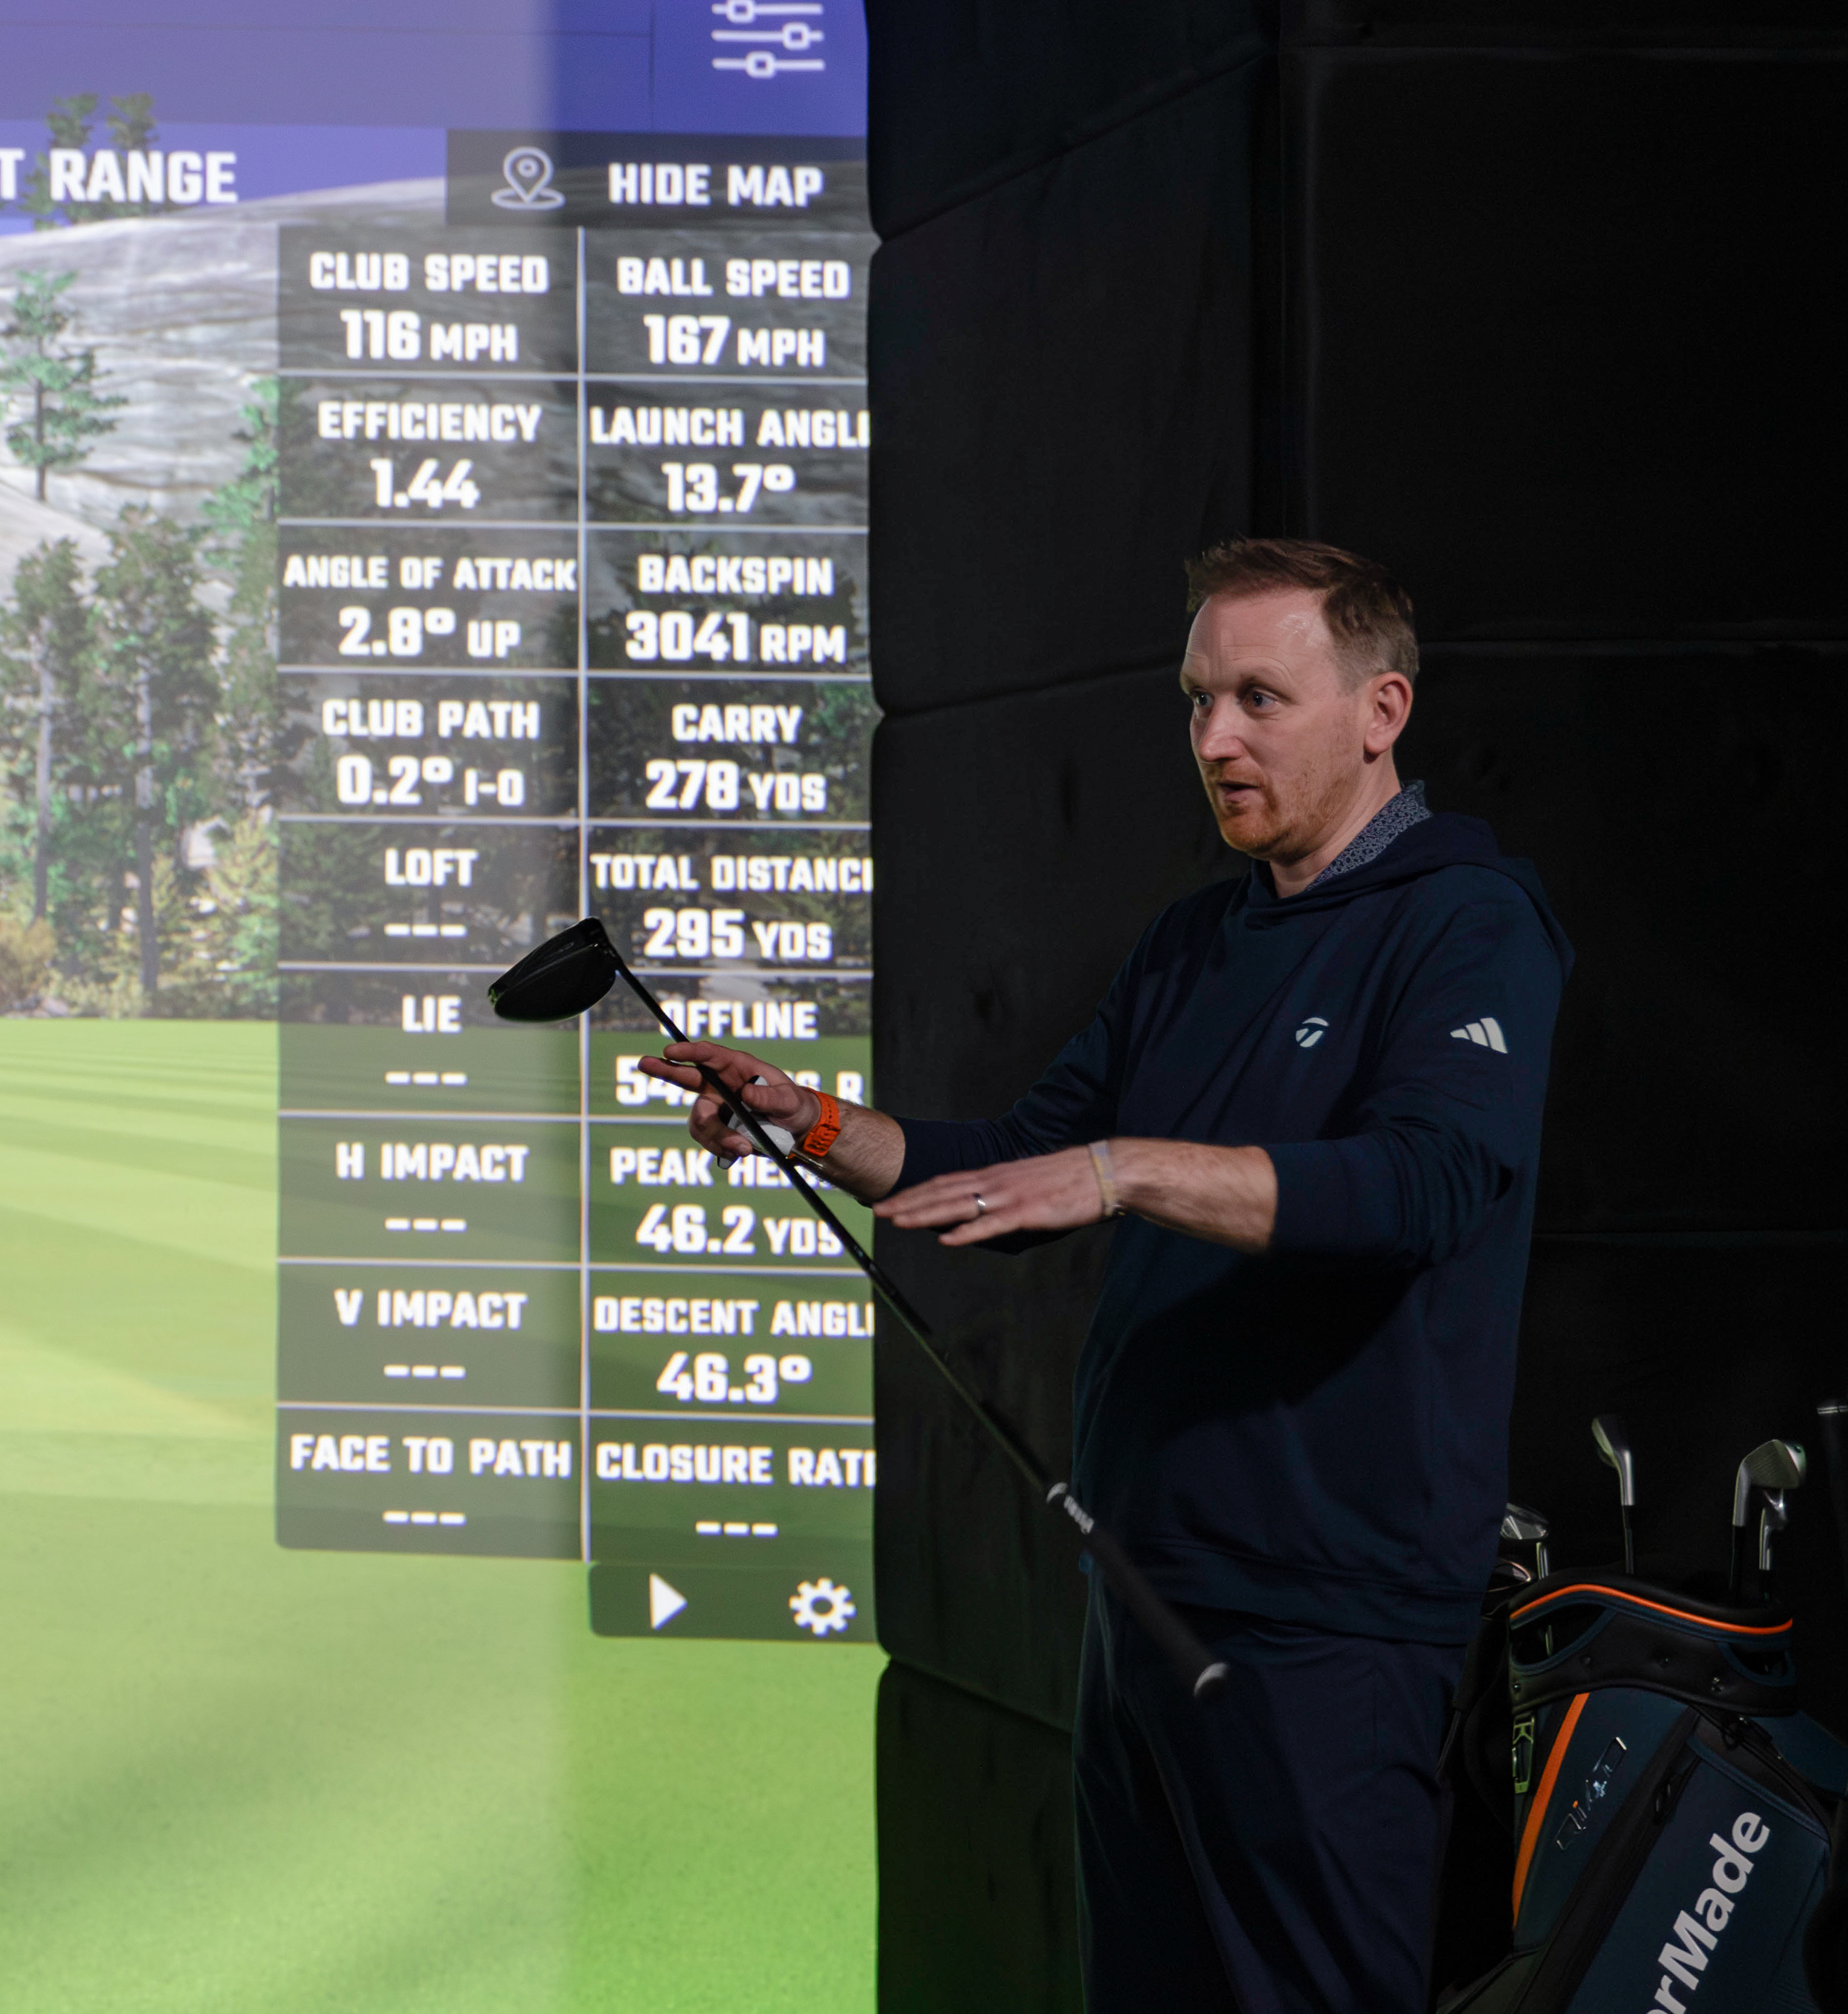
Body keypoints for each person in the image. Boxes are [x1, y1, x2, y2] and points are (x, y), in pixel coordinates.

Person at [642, 540, 1571, 2013]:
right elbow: (1013, 1156)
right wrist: (809, 1123)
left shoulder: (1468, 925)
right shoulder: (1194, 945)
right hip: (1142, 1599)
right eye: (1198, 700)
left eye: (1259, 698)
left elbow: (1423, 1184)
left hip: (1326, 1628)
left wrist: (1125, 1169)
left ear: (1381, 706)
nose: (1215, 739)